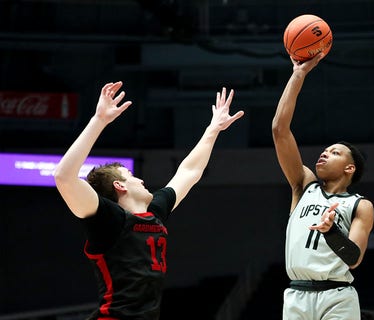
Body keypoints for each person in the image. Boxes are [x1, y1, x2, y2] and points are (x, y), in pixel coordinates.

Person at [53, 81, 244, 320]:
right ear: (119, 186)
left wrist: (213, 129)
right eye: (131, 176)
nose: (141, 180)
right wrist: (99, 120)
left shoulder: (154, 212)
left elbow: (189, 172)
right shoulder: (108, 220)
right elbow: (63, 176)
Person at [272, 53, 374, 320]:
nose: (325, 153)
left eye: (335, 153)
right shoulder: (303, 185)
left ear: (349, 168)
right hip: (296, 295)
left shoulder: (360, 205)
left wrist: (331, 232)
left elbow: (353, 258)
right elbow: (279, 129)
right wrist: (298, 74)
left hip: (337, 296)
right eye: (325, 150)